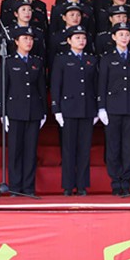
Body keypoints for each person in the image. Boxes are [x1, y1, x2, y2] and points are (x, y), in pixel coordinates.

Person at [98, 22, 130, 196]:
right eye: (120, 35)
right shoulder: (107, 58)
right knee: (113, 147)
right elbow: (102, 83)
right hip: (112, 108)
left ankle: (126, 181)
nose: (124, 38)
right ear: (113, 37)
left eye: (127, 35)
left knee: (128, 147)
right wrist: (101, 107)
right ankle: (115, 181)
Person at [51, 25, 99, 196]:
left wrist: (97, 109)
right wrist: (56, 109)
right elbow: (56, 84)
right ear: (69, 41)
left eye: (83, 38)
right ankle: (67, 185)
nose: (81, 41)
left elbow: (96, 85)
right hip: (68, 109)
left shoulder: (91, 59)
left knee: (84, 149)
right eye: (77, 38)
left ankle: (82, 185)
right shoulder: (62, 59)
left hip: (87, 109)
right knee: (69, 149)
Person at [0, 27, 46, 197]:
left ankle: (28, 188)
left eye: (31, 39)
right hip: (15, 111)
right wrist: (3, 113)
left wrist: (43, 112)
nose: (29, 42)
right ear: (16, 41)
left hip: (33, 111)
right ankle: (15, 187)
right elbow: (4, 88)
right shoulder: (8, 61)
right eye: (25, 38)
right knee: (15, 151)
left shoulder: (37, 61)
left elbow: (41, 88)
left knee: (30, 151)